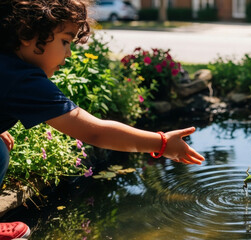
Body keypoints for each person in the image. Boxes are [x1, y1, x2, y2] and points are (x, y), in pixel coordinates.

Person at [0, 0, 205, 239]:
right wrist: (161, 143)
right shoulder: (22, 79)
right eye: (65, 41)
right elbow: (95, 132)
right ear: (26, 34)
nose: (68, 53)